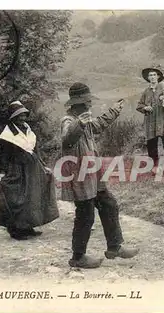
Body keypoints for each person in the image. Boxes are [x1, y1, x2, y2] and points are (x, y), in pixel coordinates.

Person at [60, 82, 139, 269]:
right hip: (79, 174)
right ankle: (78, 257)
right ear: (78, 103)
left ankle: (114, 247)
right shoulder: (68, 120)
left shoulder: (85, 119)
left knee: (109, 204)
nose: (90, 104)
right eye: (87, 101)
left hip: (92, 172)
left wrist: (114, 110)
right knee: (85, 214)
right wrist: (80, 123)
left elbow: (99, 124)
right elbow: (67, 138)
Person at [0, 101, 59, 240]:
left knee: (32, 198)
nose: (22, 118)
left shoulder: (28, 130)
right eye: (19, 116)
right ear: (12, 117)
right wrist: (2, 172)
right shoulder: (7, 135)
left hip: (32, 169)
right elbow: (4, 155)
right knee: (19, 199)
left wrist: (43, 166)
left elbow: (35, 151)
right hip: (17, 169)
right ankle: (16, 230)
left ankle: (28, 227)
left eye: (24, 115)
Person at [137, 67, 164, 170]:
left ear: (158, 77)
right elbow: (139, 105)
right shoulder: (146, 92)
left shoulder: (163, 88)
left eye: (154, 75)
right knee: (151, 144)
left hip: (162, 119)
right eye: (150, 75)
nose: (153, 77)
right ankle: (154, 165)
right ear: (148, 78)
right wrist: (145, 107)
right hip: (150, 121)